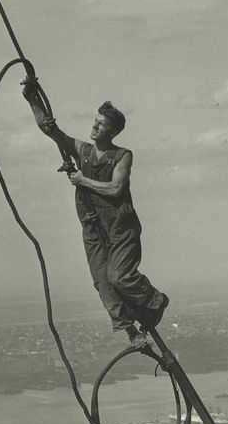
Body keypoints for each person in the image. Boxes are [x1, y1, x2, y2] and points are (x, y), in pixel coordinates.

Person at [23, 80, 168, 347]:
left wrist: (82, 181)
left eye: (101, 124)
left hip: (120, 228)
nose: (94, 125)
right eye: (95, 120)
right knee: (103, 283)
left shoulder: (122, 155)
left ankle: (155, 301)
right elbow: (51, 131)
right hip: (92, 226)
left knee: (120, 277)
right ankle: (131, 333)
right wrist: (32, 99)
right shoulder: (83, 151)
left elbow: (115, 188)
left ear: (112, 131)